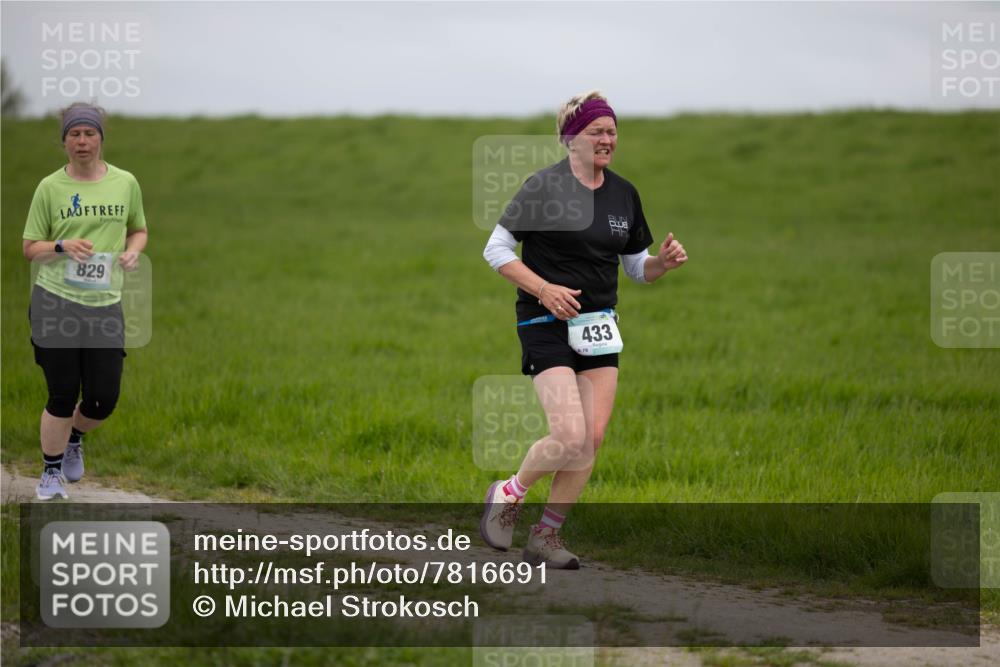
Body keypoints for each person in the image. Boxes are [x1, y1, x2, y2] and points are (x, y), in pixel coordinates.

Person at [480, 91, 688, 568]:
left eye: (612, 131)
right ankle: (509, 493)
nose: (607, 140)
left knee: (590, 438)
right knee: (569, 433)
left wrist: (663, 263)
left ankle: (545, 536)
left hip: (598, 327)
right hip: (545, 322)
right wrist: (544, 289)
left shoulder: (623, 194)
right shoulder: (544, 188)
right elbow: (496, 249)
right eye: (597, 131)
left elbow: (636, 267)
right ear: (571, 138)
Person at [22, 102, 148, 500]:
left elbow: (139, 230)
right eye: (74, 134)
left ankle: (75, 435)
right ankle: (51, 473)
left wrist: (132, 252)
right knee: (61, 393)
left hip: (104, 305)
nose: (82, 141)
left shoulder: (126, 182)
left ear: (100, 139)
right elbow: (30, 248)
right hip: (55, 301)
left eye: (89, 133)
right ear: (64, 142)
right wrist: (61, 245)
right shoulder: (49, 187)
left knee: (102, 398)